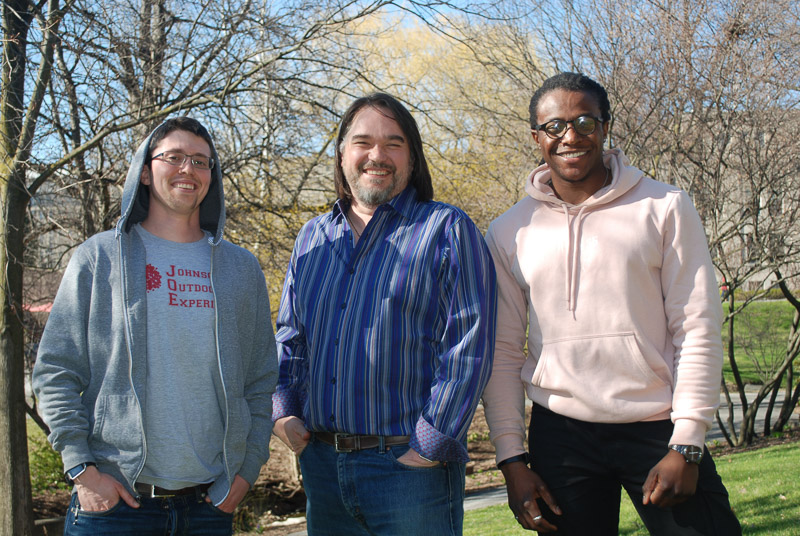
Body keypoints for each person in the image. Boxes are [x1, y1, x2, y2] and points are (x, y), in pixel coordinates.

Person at [482, 72, 741, 534]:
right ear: (537, 136)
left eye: (584, 120)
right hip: (560, 434)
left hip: (657, 426)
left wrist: (688, 442)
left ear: (605, 126)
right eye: (555, 126)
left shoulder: (664, 207)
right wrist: (511, 460)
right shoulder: (508, 231)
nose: (571, 136)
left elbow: (696, 327)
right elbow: (502, 351)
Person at [32, 117, 278, 535]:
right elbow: (54, 371)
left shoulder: (241, 269)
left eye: (201, 161)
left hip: (208, 506)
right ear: (145, 171)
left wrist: (245, 473)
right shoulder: (99, 258)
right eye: (174, 157)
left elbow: (260, 381)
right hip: (115, 506)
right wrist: (82, 470)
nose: (188, 169)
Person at [271, 92, 497, 535]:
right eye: (363, 142)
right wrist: (284, 409)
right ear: (341, 156)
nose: (378, 155)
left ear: (412, 159)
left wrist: (431, 442)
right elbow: (290, 336)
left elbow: (469, 345)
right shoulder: (312, 238)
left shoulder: (447, 230)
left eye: (394, 143)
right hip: (322, 467)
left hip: (409, 471)